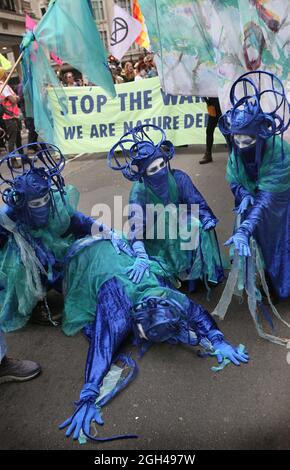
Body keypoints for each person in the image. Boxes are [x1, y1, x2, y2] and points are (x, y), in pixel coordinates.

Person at [59, 237, 249, 442]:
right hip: (90, 258)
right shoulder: (117, 312)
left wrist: (217, 339)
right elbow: (101, 348)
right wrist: (89, 394)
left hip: (121, 256)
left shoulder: (167, 296)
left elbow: (197, 312)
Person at [0, 143, 131, 332]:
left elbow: (80, 221)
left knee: (84, 255)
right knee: (30, 260)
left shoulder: (55, 202)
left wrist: (108, 232)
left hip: (55, 249)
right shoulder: (10, 214)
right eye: (36, 203)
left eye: (45, 199)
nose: (43, 205)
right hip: (20, 258)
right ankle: (34, 304)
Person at [213, 70, 290, 344]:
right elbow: (233, 175)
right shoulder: (236, 150)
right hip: (254, 206)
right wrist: (243, 192)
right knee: (258, 249)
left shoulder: (280, 151)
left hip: (279, 205)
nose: (241, 145)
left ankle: (282, 284)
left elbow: (268, 198)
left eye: (248, 140)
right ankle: (267, 280)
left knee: (280, 241)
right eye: (237, 139)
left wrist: (245, 226)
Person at [108, 124, 224, 291]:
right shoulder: (139, 192)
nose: (160, 171)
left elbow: (196, 202)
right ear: (144, 175)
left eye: (162, 165)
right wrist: (140, 254)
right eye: (153, 169)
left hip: (181, 224)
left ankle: (191, 270)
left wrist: (206, 218)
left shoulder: (179, 177)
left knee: (194, 223)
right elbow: (137, 225)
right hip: (154, 236)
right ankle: (173, 270)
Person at [0, 67, 22, 168]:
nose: (7, 74)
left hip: (13, 116)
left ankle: (22, 157)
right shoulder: (2, 86)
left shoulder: (5, 85)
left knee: (18, 138)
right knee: (12, 139)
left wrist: (15, 97)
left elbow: (14, 98)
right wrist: (16, 97)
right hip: (9, 117)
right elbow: (13, 99)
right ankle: (13, 161)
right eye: (5, 72)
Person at [199, 97, 222, 164]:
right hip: (212, 105)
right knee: (209, 130)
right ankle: (208, 155)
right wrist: (206, 100)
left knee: (226, 131)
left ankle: (233, 154)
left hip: (222, 104)